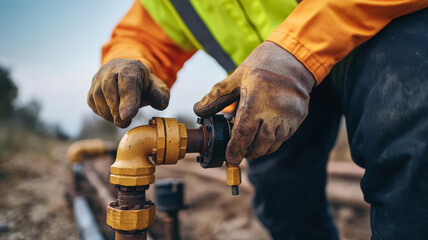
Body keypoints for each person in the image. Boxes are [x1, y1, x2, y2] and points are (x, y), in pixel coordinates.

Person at [87, 1, 428, 239]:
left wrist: (295, 52)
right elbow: (144, 31)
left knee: (412, 132)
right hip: (267, 90)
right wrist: (126, 60)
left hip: (373, 36)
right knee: (281, 194)